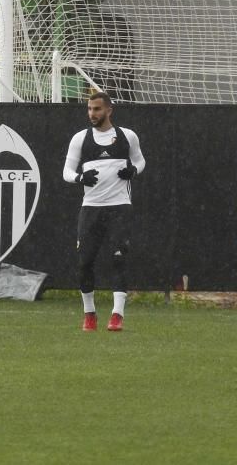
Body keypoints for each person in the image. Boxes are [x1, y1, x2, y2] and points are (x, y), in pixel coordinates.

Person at [63, 91, 146, 332]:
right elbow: (66, 171)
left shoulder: (127, 136)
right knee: (84, 263)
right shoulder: (80, 138)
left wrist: (133, 171)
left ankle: (117, 315)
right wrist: (79, 177)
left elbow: (141, 162)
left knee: (118, 259)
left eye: (97, 109)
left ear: (109, 110)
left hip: (120, 207)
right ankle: (90, 314)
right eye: (89, 109)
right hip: (91, 209)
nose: (92, 114)